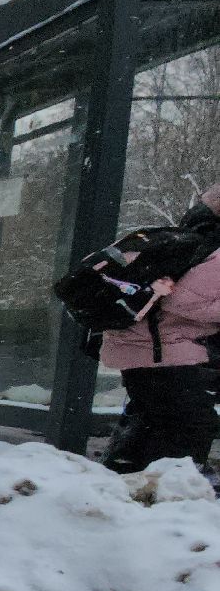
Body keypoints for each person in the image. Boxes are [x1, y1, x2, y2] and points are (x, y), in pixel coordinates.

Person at [100, 183, 220, 480]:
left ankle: (120, 477)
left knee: (157, 418)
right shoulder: (211, 246)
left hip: (146, 348)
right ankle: (171, 489)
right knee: (193, 424)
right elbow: (181, 299)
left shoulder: (191, 238)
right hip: (163, 350)